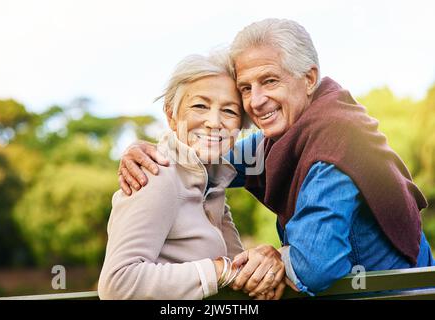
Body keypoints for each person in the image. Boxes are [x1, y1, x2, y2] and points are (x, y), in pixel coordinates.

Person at [117, 18, 434, 296]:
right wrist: (149, 152)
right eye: (245, 88)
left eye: (269, 81)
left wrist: (276, 256)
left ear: (309, 79)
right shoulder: (282, 138)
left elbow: (316, 268)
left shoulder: (338, 143)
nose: (255, 101)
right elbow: (207, 160)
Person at [98, 50, 286, 300]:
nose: (214, 122)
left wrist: (264, 268)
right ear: (171, 116)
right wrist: (220, 269)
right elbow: (117, 284)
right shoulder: (156, 176)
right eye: (200, 106)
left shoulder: (214, 183)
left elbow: (236, 271)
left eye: (229, 111)